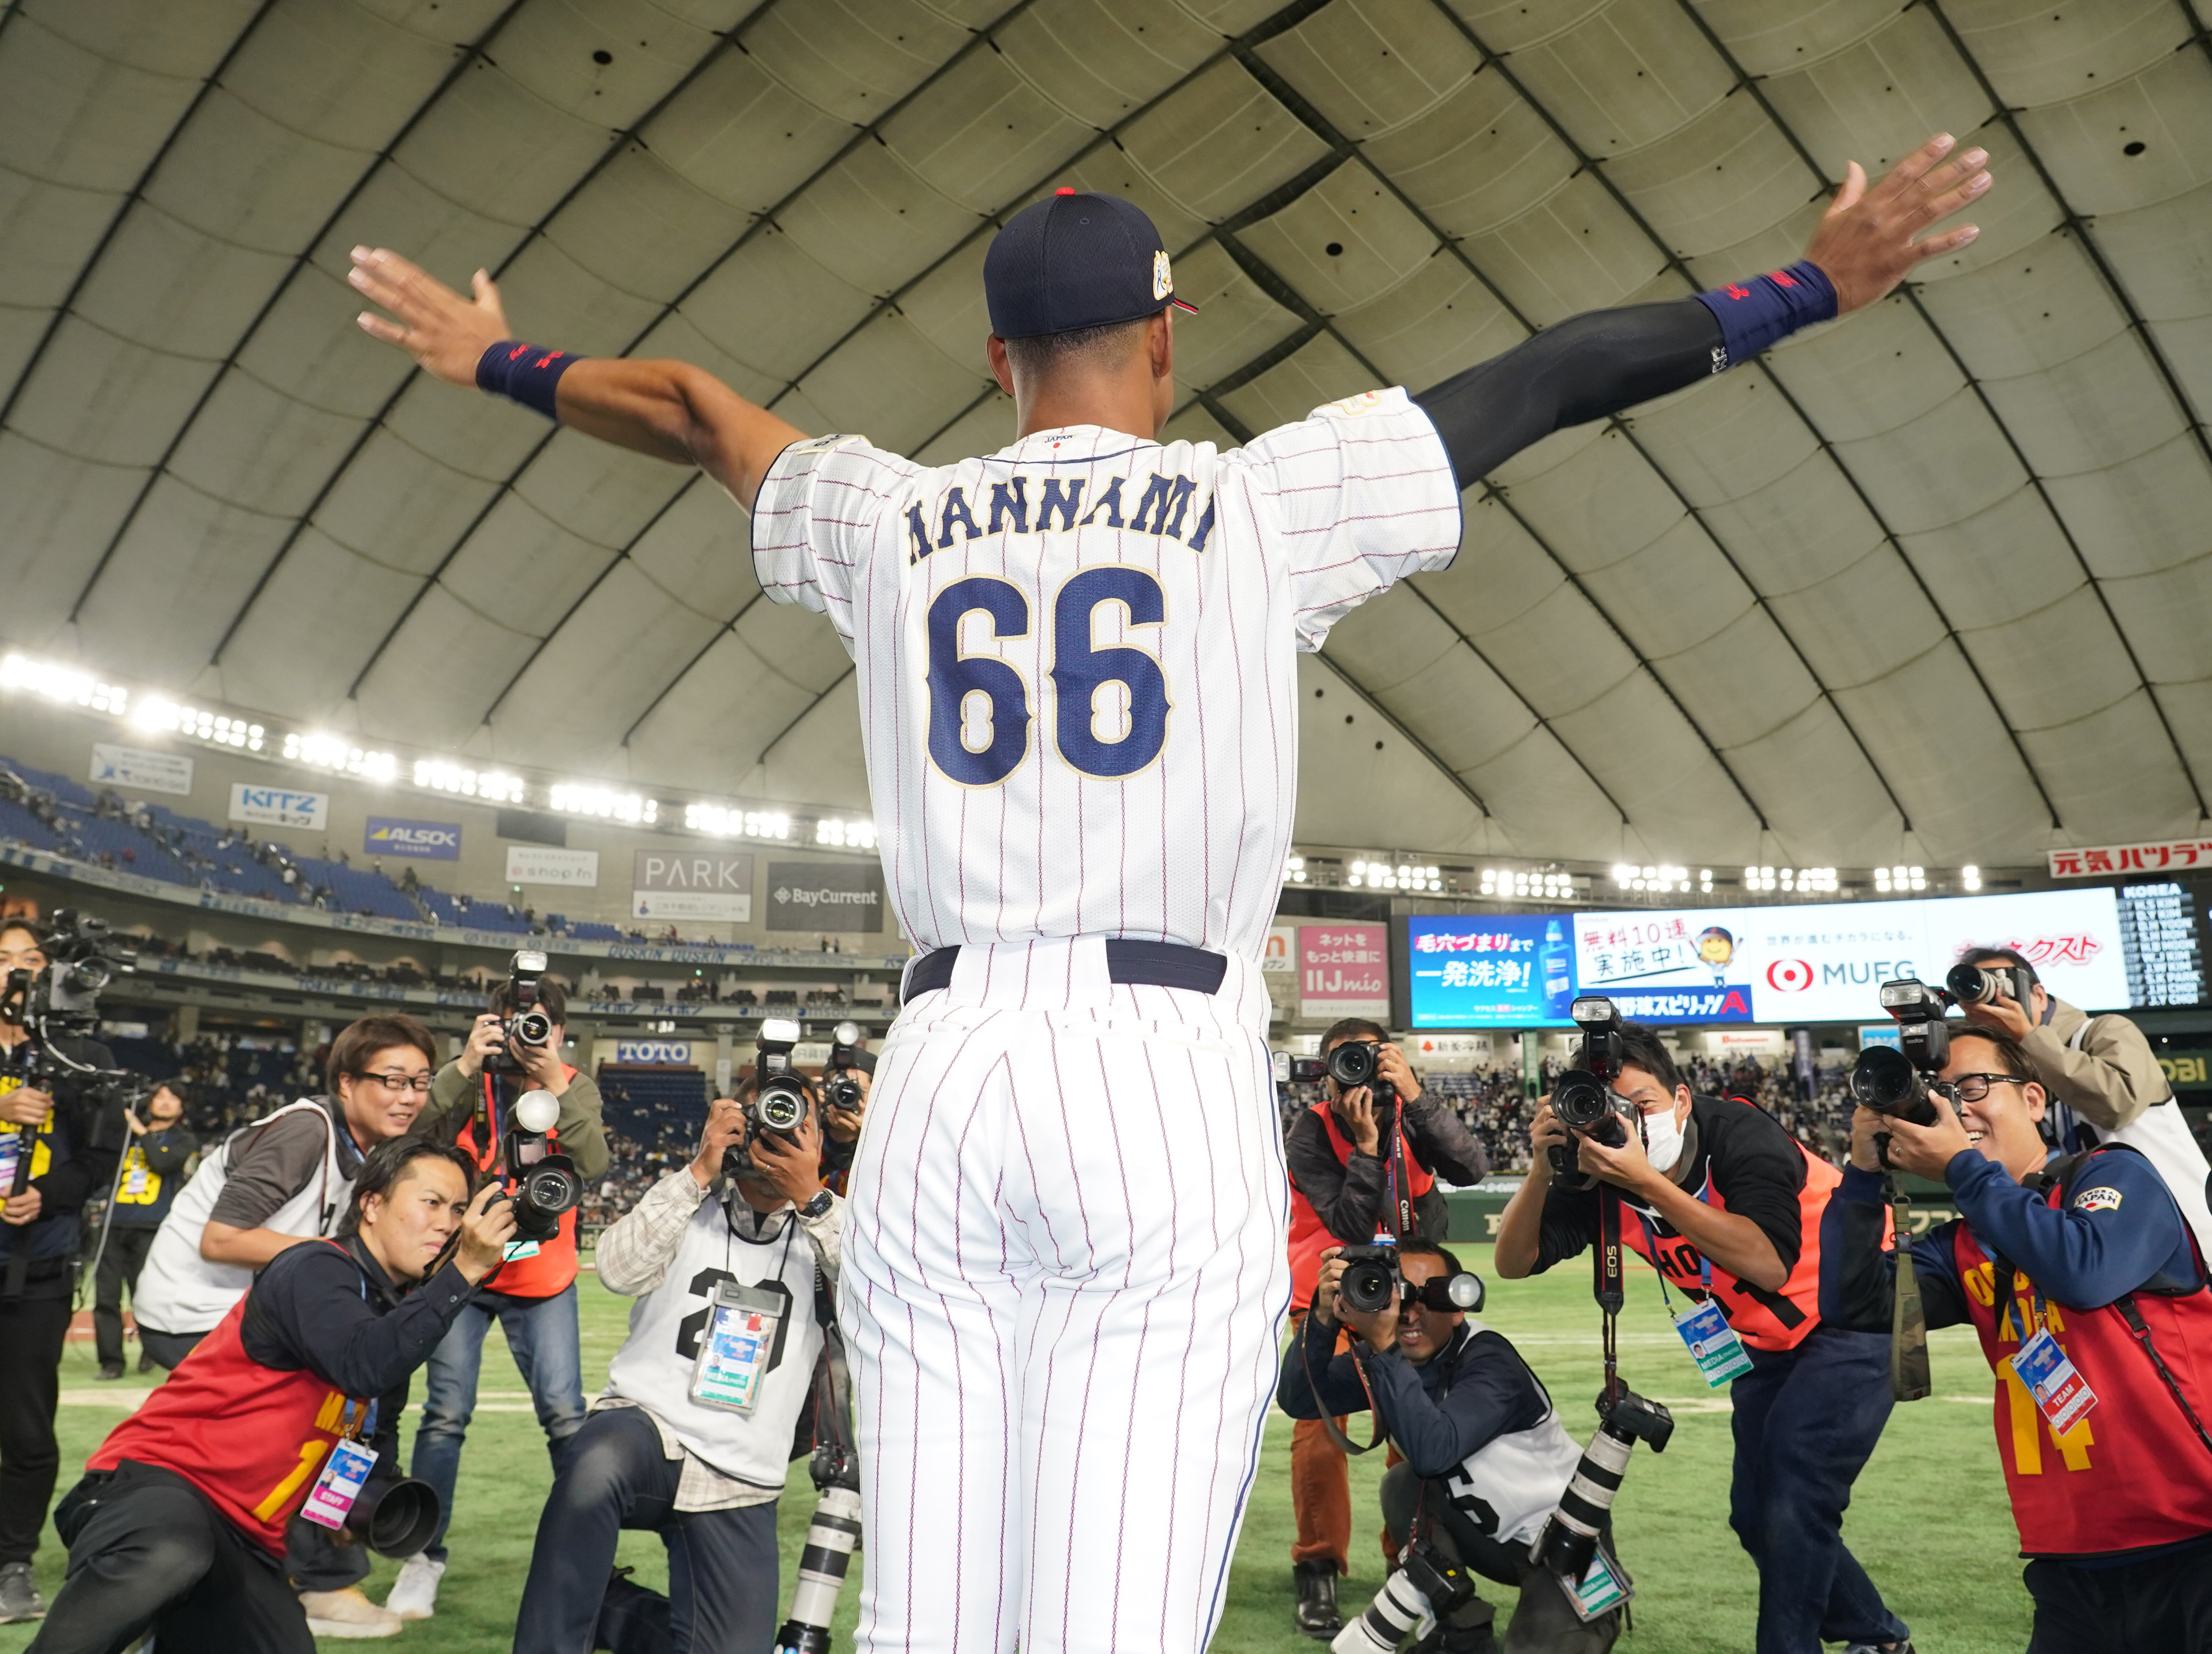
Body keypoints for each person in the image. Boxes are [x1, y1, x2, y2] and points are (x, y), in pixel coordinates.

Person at [350, 126, 1988, 1654]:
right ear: (1165, 335)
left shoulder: (895, 514)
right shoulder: (1254, 500)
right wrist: (1807, 287)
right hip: (1156, 1058)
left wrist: (493, 357)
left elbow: (698, 408)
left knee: (935, 1614)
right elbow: (1552, 375)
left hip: (941, 1066)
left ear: (995, 361)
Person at [1840, 1023, 2212, 1653]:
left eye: (1972, 1086)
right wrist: (1859, 1176)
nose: (1955, 1109)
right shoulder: (1963, 1243)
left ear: (2034, 1099)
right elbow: (1851, 1302)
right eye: (1939, 1094)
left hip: (2203, 1541)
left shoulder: (2112, 1174)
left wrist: (1961, 1169)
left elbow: (2081, 1270)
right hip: (2068, 1561)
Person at [1491, 1020, 1907, 1654]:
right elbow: (1513, 1262)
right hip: (1764, 1342)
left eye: (1642, 1107)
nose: (1623, 1125)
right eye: (1609, 1112)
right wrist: (1539, 1169)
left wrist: (1644, 1180)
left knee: (1793, 1495)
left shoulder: (1737, 1133)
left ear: (1681, 1099)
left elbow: (1765, 1261)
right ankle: (1877, 1638)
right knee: (1753, 1513)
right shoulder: (1594, 1168)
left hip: (1854, 1307)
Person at [29, 1137, 516, 1654]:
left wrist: (354, 1505)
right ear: (372, 1204)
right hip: (156, 1488)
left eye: (460, 1209)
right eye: (432, 1203)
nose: (448, 1223)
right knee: (171, 1551)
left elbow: (372, 1426)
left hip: (246, 1539)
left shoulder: (392, 1312)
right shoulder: (315, 1266)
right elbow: (365, 1363)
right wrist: (463, 1270)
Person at [128, 1014, 438, 1638]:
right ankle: (317, 1580)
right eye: (393, 1080)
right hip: (193, 1308)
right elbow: (223, 1237)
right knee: (328, 1402)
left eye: (422, 1083)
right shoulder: (306, 1130)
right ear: (346, 1083)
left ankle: (304, 1565)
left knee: (360, 1389)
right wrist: (335, 1262)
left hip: (248, 1311)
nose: (409, 1097)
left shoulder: (367, 1147)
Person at [514, 1074, 836, 1653]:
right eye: (764, 1118)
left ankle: (612, 1610)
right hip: (648, 1431)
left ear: (820, 1144)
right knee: (593, 1468)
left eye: (798, 1125)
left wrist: (812, 1197)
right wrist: (698, 1171)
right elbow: (618, 1270)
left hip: (743, 1474)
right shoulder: (692, 1197)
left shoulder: (834, 1227)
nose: (778, 1135)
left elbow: (883, 1302)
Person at [389, 978, 610, 1622]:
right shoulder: (470, 1079)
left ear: (560, 1033)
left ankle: (587, 1563)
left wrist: (556, 1084)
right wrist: (462, 1065)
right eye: (517, 1024)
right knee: (445, 1416)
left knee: (566, 1417)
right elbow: (416, 1134)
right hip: (464, 1269)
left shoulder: (575, 1083)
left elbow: (593, 1162)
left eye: (540, 1026)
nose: (527, 1038)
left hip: (542, 1276)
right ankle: (423, 1557)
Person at [1277, 1239, 1602, 1654]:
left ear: (1459, 1305)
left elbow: (1435, 1451)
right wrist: (1322, 1319)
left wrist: (1384, 1350)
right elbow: (1301, 1400)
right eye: (1399, 1295)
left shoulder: (1488, 1359)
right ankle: (1459, 1625)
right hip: (1489, 1535)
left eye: (1431, 1297)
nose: (1410, 1313)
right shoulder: (1389, 1358)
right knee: (1402, 1484)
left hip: (1563, 1545)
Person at [1285, 1021, 1487, 1637]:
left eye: (1370, 1061)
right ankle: (1317, 1564)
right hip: (1329, 1291)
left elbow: (1472, 1167)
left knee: (1416, 1426)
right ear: (1321, 1070)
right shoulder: (1309, 1129)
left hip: (1411, 1295)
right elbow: (1348, 1222)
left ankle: (1410, 1557)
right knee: (1320, 1431)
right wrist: (1370, 1146)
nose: (1356, 1076)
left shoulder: (1411, 1114)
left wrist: (1417, 1097)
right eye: (1341, 1062)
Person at [1953, 945, 2212, 1326]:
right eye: (1978, 996)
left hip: (2197, 1256)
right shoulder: (2012, 1077)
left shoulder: (2102, 1031)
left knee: (2199, 1387)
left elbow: (2117, 1103)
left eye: (2004, 988)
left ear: (2036, 994)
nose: (1992, 1004)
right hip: (2113, 1263)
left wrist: (2030, 1038)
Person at [0, 917, 116, 1626]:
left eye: (29, 957)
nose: (16, 969)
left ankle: (12, 1559)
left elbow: (100, 1157)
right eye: (2, 957)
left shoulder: (78, 1054)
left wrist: (50, 1193)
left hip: (34, 1268)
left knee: (27, 1427)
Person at [91, 1079, 200, 1380]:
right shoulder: (123, 1137)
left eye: (172, 1098)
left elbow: (163, 1163)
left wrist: (141, 1131)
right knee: (106, 1296)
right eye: (159, 1097)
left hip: (153, 1226)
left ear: (182, 1106)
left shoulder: (185, 1140)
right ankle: (111, 1361)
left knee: (148, 1295)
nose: (165, 1102)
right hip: (114, 1223)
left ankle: (151, 1351)